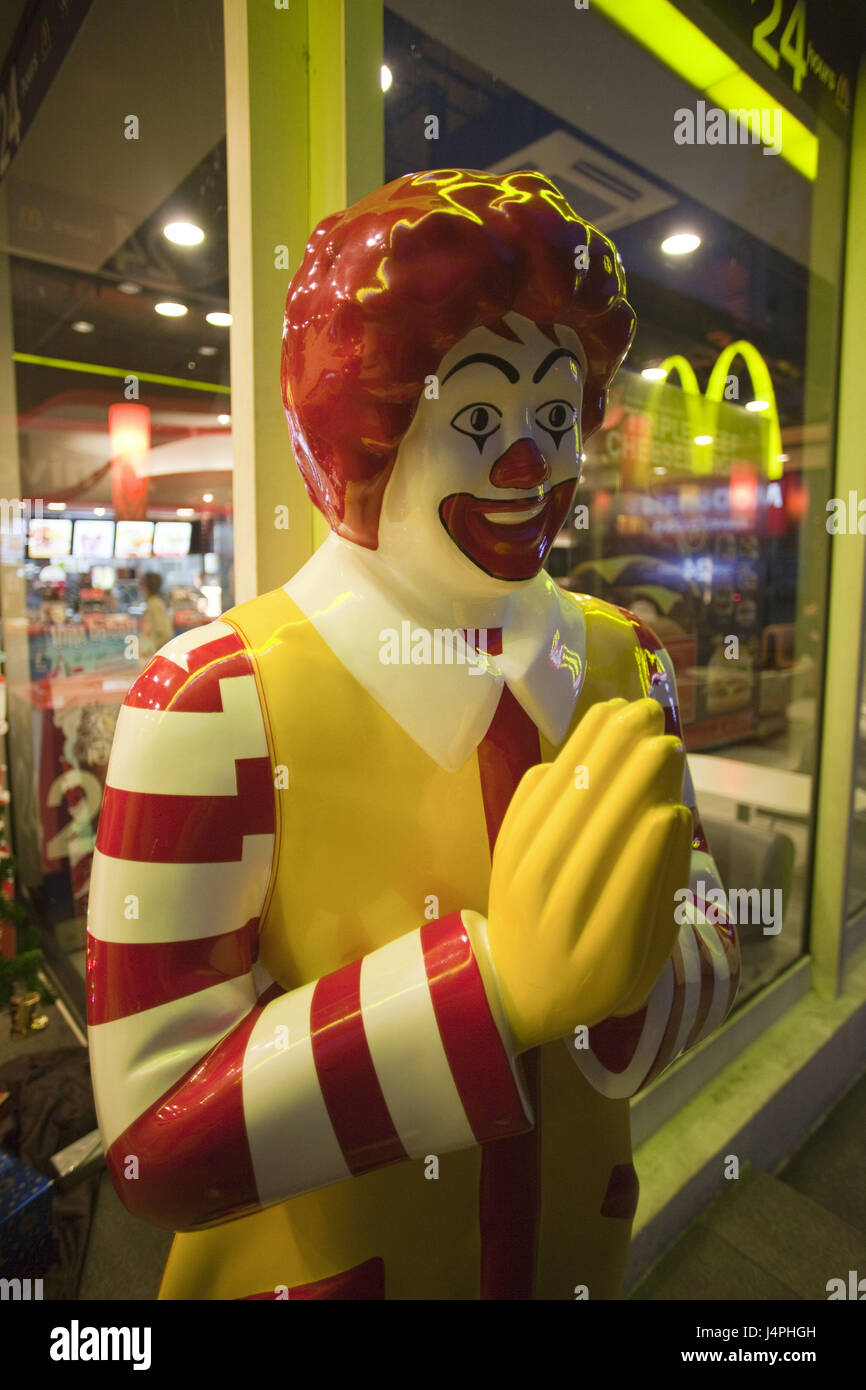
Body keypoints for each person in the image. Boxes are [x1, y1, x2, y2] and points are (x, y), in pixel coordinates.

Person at [87, 169, 739, 1300]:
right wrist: (491, 993)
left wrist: (632, 982)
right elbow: (152, 1139)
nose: (531, 465)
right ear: (364, 433)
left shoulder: (622, 658)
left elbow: (707, 918)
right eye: (478, 418)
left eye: (554, 411)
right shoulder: (210, 702)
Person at [139, 572, 172, 656]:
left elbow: (164, 632)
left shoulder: (154, 604)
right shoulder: (153, 602)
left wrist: (153, 648)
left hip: (155, 652)